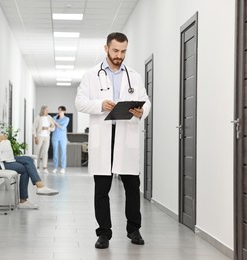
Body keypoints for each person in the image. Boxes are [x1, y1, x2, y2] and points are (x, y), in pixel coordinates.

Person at [75, 32, 151, 249]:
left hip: (126, 135)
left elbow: (146, 102)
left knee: (132, 187)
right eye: (116, 50)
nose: (119, 55)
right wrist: (100, 104)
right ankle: (104, 233)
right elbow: (80, 102)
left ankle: (134, 229)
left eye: (123, 51)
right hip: (104, 136)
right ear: (106, 48)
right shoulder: (91, 75)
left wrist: (141, 111)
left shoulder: (134, 76)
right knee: (102, 190)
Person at [0, 104, 59, 209]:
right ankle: (31, 193)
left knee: (28, 159)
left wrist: (1, 141)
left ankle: (35, 190)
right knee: (25, 168)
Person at [33, 105, 55, 174]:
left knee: (45, 152)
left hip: (47, 136)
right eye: (46, 110)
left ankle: (44, 167)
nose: (48, 111)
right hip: (39, 136)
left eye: (48, 110)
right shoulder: (38, 117)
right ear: (43, 110)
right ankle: (36, 167)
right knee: (37, 152)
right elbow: (34, 128)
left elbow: (53, 127)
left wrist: (48, 128)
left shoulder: (49, 117)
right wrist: (35, 137)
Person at [51, 106, 69, 174]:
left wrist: (55, 122)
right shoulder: (55, 118)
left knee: (63, 152)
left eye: (60, 110)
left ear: (64, 111)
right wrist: (53, 123)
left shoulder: (66, 119)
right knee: (55, 152)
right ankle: (55, 167)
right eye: (58, 110)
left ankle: (63, 168)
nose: (59, 112)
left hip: (63, 138)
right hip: (55, 137)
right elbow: (52, 126)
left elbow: (62, 128)